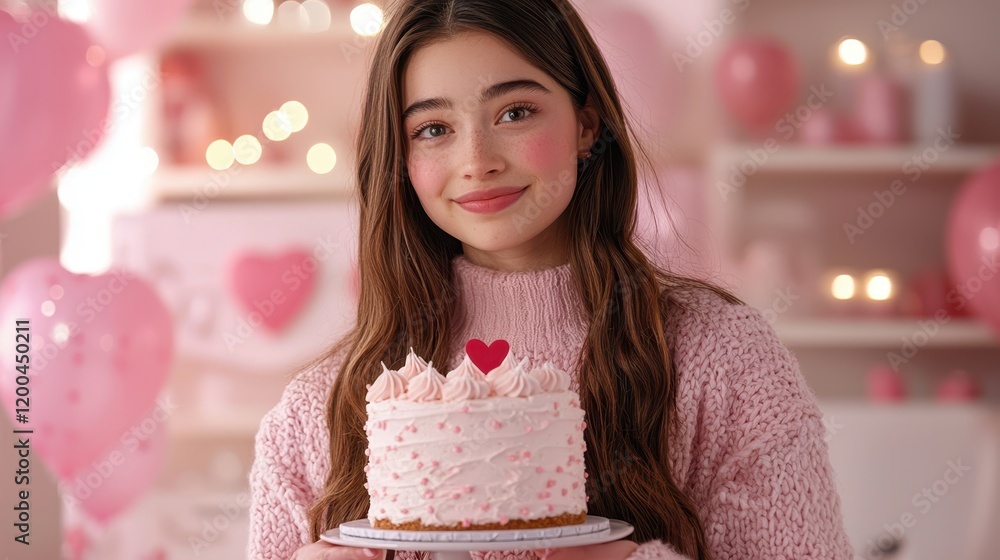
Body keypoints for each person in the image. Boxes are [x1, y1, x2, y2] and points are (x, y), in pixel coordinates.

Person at [247, 0, 855, 559]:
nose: (477, 159)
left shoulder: (725, 362)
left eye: (515, 112)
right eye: (433, 128)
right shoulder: (318, 412)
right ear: (400, 159)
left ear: (587, 125)